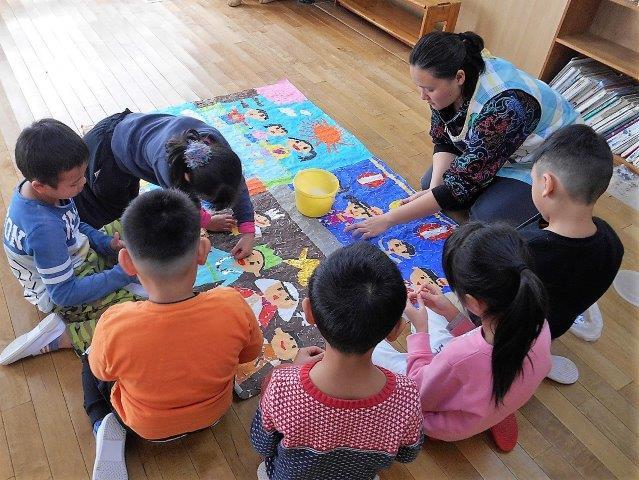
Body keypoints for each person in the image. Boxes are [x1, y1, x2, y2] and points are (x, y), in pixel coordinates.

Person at [83, 188, 263, 479]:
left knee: (89, 356)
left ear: (127, 263)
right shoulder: (232, 304)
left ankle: (100, 421)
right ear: (202, 253)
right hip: (213, 415)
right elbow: (250, 355)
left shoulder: (115, 323)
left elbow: (102, 373)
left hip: (147, 429)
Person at [346, 31, 580, 239]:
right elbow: (444, 139)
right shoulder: (445, 85)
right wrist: (434, 189)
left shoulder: (506, 107)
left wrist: (388, 219)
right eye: (419, 86)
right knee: (432, 184)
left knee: (486, 217)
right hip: (504, 150)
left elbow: (461, 183)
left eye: (429, 89)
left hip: (550, 160)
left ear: (459, 78)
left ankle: (541, 215)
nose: (422, 96)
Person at [250, 242, 423, 480]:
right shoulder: (407, 395)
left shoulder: (282, 385)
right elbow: (407, 454)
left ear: (308, 312)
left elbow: (262, 444)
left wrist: (295, 370)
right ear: (396, 330)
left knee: (265, 469)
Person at [372, 222, 551, 451]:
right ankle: (493, 410)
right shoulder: (538, 323)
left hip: (439, 422)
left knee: (373, 351)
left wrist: (421, 330)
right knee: (432, 315)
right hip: (494, 391)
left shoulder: (459, 356)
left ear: (475, 303)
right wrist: (448, 311)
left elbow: (418, 392)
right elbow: (482, 343)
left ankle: (479, 408)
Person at [1, 119, 137, 366]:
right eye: (75, 182)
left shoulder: (43, 192)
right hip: (62, 293)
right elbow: (64, 293)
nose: (84, 184)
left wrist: (105, 243)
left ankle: (115, 269)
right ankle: (63, 336)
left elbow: (74, 226)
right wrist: (121, 274)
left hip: (75, 259)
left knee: (135, 223)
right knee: (139, 316)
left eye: (83, 175)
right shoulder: (43, 229)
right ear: (40, 186)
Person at [74, 110, 256, 259]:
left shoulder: (218, 148)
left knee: (127, 203)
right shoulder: (169, 166)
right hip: (107, 151)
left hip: (132, 135)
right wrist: (206, 222)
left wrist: (248, 230)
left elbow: (236, 182)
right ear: (186, 178)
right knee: (107, 221)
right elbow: (187, 206)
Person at [521, 124, 624, 384]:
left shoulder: (523, 247)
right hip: (552, 329)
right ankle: (537, 355)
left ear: (547, 184)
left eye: (533, 179)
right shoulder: (612, 243)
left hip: (506, 332)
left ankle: (520, 359)